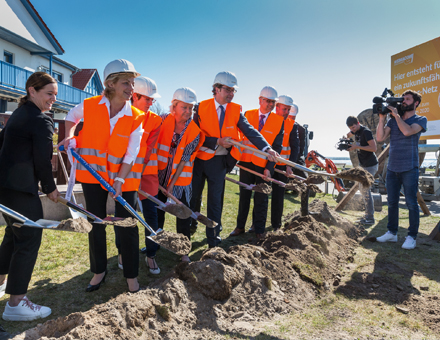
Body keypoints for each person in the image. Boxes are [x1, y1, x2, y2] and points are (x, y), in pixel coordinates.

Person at [61, 59, 144, 293]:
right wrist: (70, 134)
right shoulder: (89, 105)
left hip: (123, 176)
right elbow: (70, 116)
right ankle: (99, 272)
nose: (131, 88)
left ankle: (131, 276)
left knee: (128, 225)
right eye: (126, 83)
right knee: (95, 222)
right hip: (92, 175)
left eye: (132, 83)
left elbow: (131, 153)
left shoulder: (136, 116)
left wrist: (118, 181)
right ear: (110, 84)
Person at [191, 72, 279, 248]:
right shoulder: (200, 107)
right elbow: (194, 134)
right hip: (199, 161)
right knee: (193, 199)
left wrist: (267, 148)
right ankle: (188, 231)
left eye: (233, 90)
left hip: (219, 162)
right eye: (227, 90)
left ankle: (213, 242)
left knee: (215, 203)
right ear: (216, 89)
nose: (231, 94)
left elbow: (250, 131)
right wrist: (216, 141)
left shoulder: (236, 110)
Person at [0, 72, 60, 321]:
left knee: (14, 236)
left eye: (55, 95)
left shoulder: (19, 114)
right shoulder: (39, 119)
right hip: (22, 191)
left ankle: (2, 281)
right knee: (28, 240)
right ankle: (16, 304)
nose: (52, 100)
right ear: (31, 91)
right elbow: (43, 161)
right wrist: (50, 188)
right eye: (49, 94)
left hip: (5, 189)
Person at [150, 87, 203, 263]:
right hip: (158, 174)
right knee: (158, 212)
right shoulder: (162, 120)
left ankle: (184, 251)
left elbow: (184, 159)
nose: (188, 112)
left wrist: (171, 184)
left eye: (191, 108)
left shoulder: (194, 131)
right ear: (174, 106)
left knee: (183, 214)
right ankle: (155, 244)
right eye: (184, 107)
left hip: (180, 179)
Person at [375, 90, 427, 249]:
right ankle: (392, 233)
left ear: (415, 103)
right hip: (392, 168)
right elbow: (379, 138)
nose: (403, 101)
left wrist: (397, 115)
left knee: (411, 203)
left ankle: (411, 236)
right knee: (392, 202)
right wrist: (382, 118)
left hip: (409, 167)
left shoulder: (420, 119)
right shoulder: (392, 121)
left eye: (407, 99)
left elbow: (407, 131)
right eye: (402, 99)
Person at [232, 86, 284, 239]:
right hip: (246, 162)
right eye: (267, 101)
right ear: (260, 100)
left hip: (263, 167)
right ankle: (240, 227)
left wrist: (269, 168)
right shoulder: (248, 114)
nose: (270, 104)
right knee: (244, 196)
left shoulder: (278, 121)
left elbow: (277, 147)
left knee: (261, 198)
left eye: (272, 102)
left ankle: (259, 230)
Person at [132, 77, 162, 274]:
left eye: (153, 100)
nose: (151, 103)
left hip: (147, 174)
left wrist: (138, 169)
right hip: (124, 175)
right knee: (126, 216)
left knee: (151, 216)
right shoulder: (123, 114)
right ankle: (122, 253)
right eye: (147, 99)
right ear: (135, 96)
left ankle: (151, 255)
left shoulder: (155, 120)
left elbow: (149, 147)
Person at [271, 95, 299, 230]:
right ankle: (255, 225)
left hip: (282, 166)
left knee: (278, 196)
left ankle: (276, 224)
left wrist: (290, 166)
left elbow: (295, 148)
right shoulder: (268, 120)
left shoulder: (291, 125)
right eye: (284, 109)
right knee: (261, 195)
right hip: (266, 164)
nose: (286, 113)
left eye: (288, 110)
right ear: (277, 107)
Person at [345, 116, 378, 225]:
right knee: (362, 189)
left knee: (365, 190)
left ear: (358, 123)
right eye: (351, 128)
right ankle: (367, 215)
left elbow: (374, 148)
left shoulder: (366, 132)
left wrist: (356, 147)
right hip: (363, 165)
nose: (353, 130)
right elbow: (348, 135)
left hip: (371, 165)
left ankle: (370, 218)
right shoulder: (356, 131)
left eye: (354, 127)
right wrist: (347, 140)